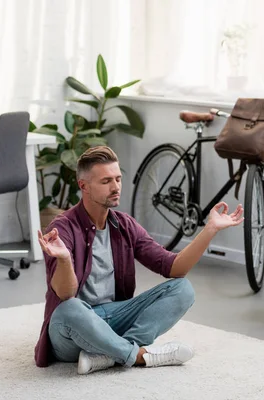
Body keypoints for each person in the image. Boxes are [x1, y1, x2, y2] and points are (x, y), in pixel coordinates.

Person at [35, 146, 243, 374]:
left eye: (118, 179)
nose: (115, 187)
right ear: (83, 186)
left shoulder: (124, 225)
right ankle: (139, 356)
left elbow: (173, 268)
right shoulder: (62, 228)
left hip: (114, 317)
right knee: (70, 308)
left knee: (183, 289)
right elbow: (65, 295)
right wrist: (64, 259)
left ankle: (111, 354)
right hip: (72, 331)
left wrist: (210, 229)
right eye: (106, 182)